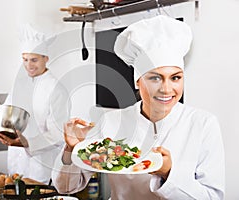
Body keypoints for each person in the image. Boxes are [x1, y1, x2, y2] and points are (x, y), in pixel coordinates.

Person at [51, 15, 225, 199]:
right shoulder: (111, 121)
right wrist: (73, 148)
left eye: (175, 78)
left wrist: (168, 174)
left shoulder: (203, 124)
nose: (166, 89)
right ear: (137, 81)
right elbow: (66, 188)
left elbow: (213, 196)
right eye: (154, 78)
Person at [0, 24, 70, 184]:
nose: (28, 65)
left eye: (34, 60)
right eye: (25, 59)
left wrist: (28, 142)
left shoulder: (57, 89)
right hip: (17, 162)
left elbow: (57, 133)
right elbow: (8, 113)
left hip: (42, 166)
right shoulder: (19, 84)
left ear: (46, 59)